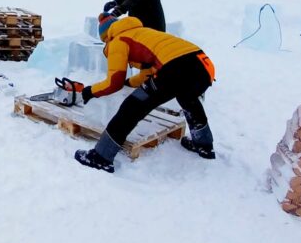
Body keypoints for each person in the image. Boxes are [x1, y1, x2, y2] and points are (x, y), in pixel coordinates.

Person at [71, 13, 216, 173]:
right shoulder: (143, 33)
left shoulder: (118, 40)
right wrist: (130, 83)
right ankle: (203, 144)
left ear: (106, 37)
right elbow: (147, 74)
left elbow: (114, 82)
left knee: (133, 106)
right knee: (188, 98)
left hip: (176, 68)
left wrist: (89, 92)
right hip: (203, 66)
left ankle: (101, 156)